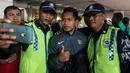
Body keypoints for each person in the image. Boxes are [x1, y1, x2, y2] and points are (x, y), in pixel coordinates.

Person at [0, 1, 57, 73]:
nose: (48, 16)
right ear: (39, 12)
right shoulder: (27, 29)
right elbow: (10, 47)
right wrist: (4, 50)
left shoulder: (51, 32)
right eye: (45, 12)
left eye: (51, 14)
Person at [48, 7, 88, 73]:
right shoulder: (54, 39)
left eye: (69, 19)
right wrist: (59, 59)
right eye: (63, 20)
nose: (66, 23)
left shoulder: (83, 38)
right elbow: (49, 64)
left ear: (76, 22)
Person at [83, 3, 121, 73]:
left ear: (104, 16)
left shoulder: (117, 34)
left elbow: (127, 63)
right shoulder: (89, 37)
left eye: (94, 15)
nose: (90, 18)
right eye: (88, 16)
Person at [0, 5, 22, 73]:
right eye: (11, 15)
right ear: (5, 17)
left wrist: (18, 54)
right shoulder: (1, 31)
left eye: (18, 14)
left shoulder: (25, 31)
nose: (16, 17)